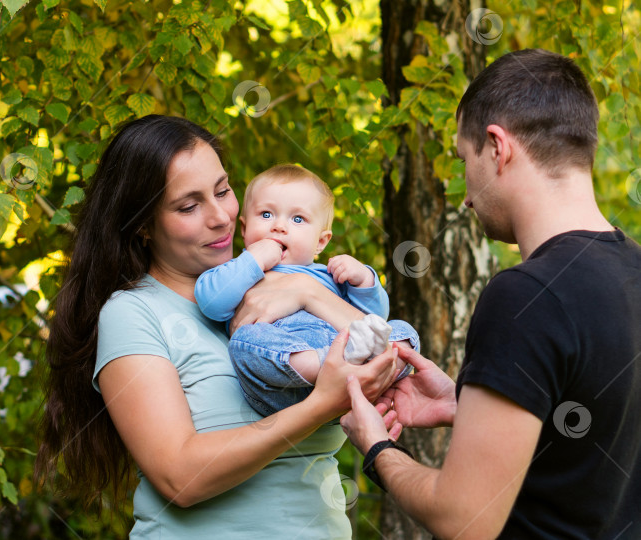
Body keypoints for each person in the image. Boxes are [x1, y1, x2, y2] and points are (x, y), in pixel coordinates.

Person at [34, 114, 403, 539]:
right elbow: (180, 477)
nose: (221, 218)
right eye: (189, 206)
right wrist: (320, 405)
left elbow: (382, 340)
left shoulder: (286, 282)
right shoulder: (132, 313)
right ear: (141, 225)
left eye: (223, 191)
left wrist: (309, 294)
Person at [340, 48, 641, 539]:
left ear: (498, 147)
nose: (465, 194)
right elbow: (601, 432)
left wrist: (377, 449)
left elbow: (465, 521)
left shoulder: (525, 294)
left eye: (464, 160)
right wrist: (467, 406)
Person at [194, 164, 419, 416]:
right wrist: (253, 261)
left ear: (321, 242)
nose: (279, 226)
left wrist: (364, 279)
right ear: (244, 229)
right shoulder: (235, 270)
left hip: (341, 355)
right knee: (245, 343)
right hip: (280, 386)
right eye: (266, 214)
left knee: (404, 333)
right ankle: (335, 365)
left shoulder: (330, 276)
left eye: (297, 219)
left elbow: (374, 320)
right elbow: (211, 302)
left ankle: (356, 363)